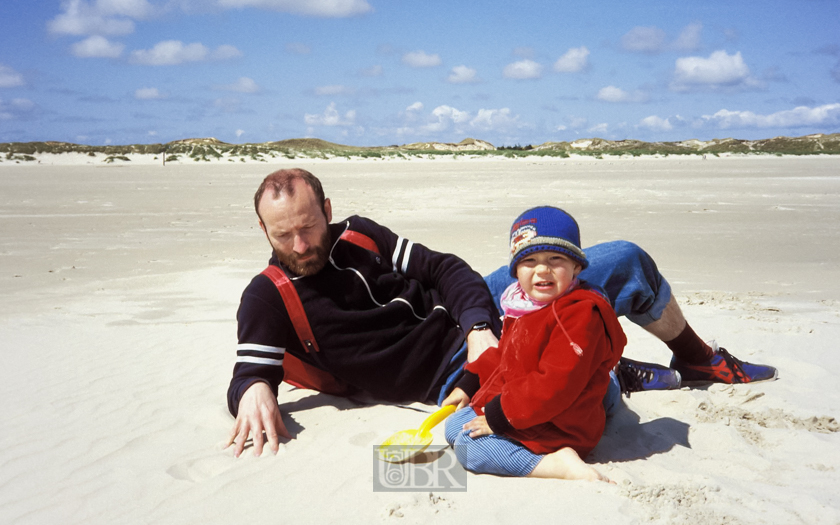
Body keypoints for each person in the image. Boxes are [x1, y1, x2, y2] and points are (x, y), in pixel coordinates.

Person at [226, 168, 777, 457]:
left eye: (308, 227)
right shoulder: (268, 295)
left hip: (476, 315)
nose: (300, 245)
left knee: (624, 259)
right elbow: (251, 371)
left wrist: (478, 326)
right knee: (540, 410)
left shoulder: (361, 235)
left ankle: (700, 361)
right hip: (450, 378)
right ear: (263, 230)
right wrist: (252, 388)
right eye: (283, 234)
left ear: (326, 210)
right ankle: (605, 371)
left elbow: (445, 269)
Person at [443, 206, 624, 481]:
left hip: (560, 421)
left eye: (555, 258)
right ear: (516, 270)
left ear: (576, 266)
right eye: (530, 261)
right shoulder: (525, 305)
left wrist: (499, 416)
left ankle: (557, 464)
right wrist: (470, 382)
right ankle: (612, 387)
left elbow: (555, 384)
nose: (542, 270)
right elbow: (506, 353)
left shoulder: (578, 315)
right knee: (454, 425)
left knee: (470, 449)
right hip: (532, 403)